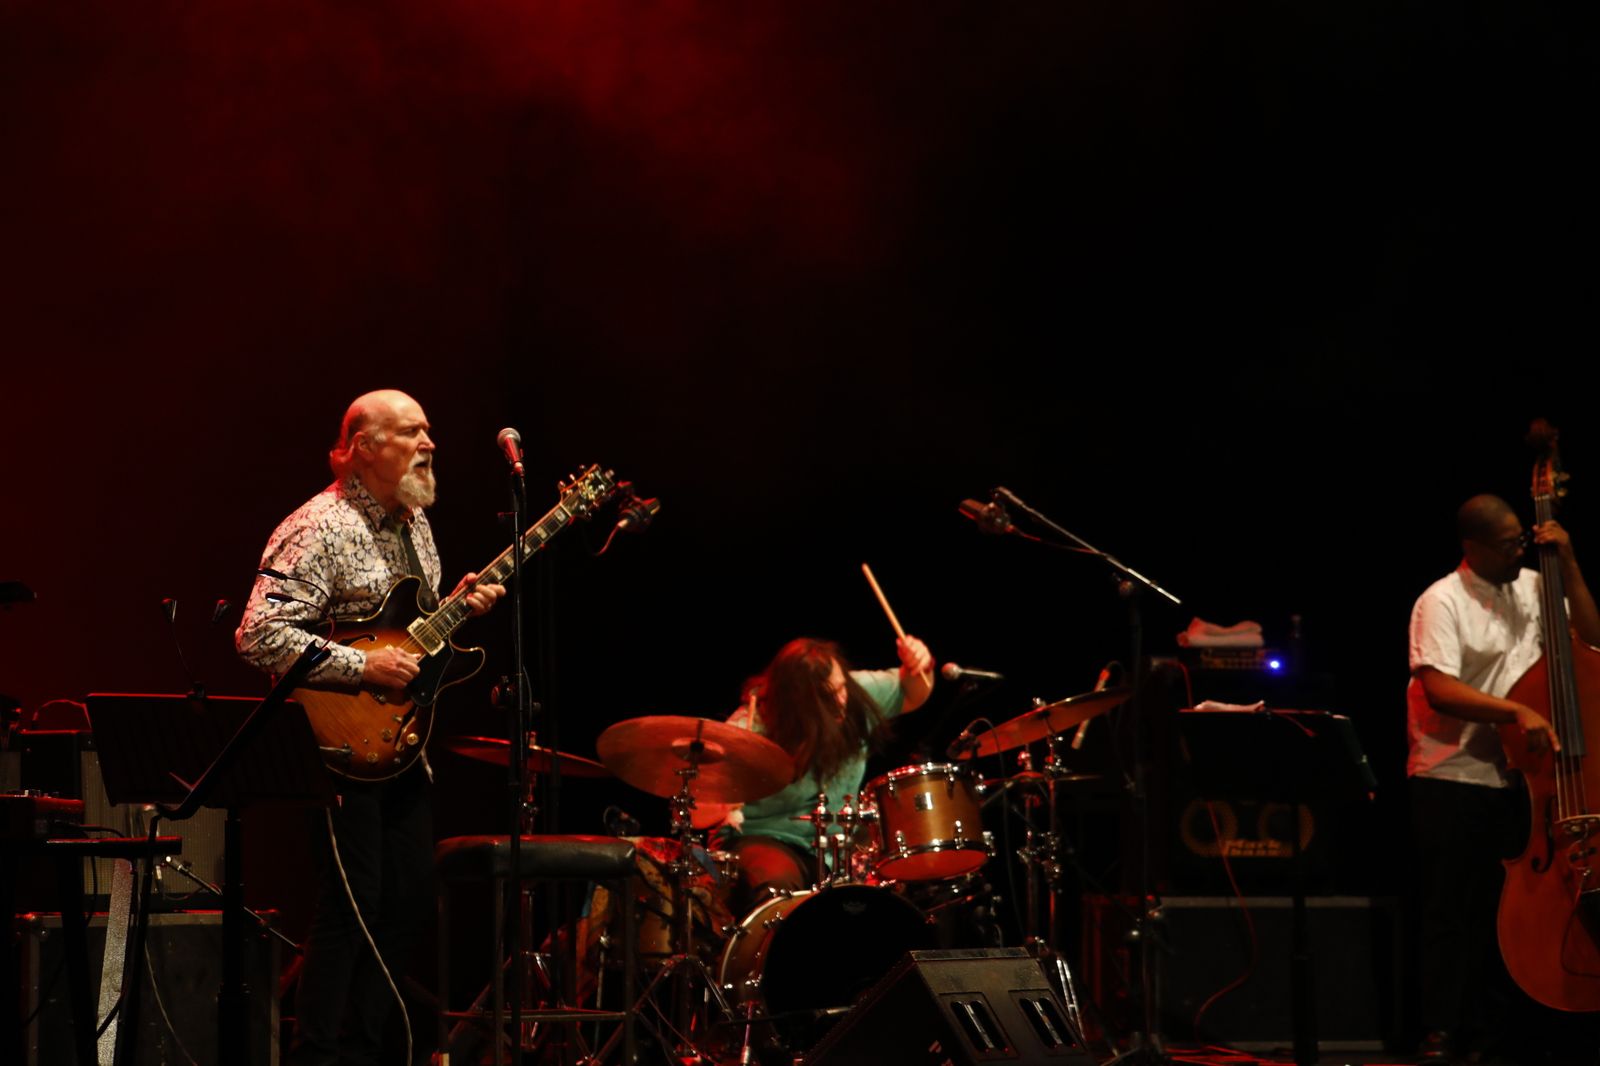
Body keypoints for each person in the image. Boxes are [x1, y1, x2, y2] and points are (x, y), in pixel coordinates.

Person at [236, 389, 504, 1066]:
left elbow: (405, 633)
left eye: (429, 430)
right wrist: (361, 667)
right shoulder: (319, 526)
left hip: (399, 746)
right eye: (411, 432)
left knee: (409, 899)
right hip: (333, 744)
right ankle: (316, 1054)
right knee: (351, 905)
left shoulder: (414, 523)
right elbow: (258, 635)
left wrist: (458, 606)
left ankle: (362, 1050)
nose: (429, 443)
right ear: (362, 448)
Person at [1407, 493, 1600, 1063]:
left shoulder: (1536, 587)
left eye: (1523, 539)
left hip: (1522, 782)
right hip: (1453, 775)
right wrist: (1516, 710)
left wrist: (1568, 563)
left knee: (1507, 921)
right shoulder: (1440, 600)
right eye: (1510, 543)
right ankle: (1441, 1031)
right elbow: (1439, 687)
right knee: (1452, 915)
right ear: (1473, 546)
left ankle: (1497, 1035)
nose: (1523, 549)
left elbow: (1592, 641)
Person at [693, 634, 934, 913]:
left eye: (841, 688)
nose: (841, 701)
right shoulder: (749, 729)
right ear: (797, 705)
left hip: (840, 842)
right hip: (766, 837)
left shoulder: (854, 693)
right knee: (777, 892)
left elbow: (913, 691)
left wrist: (919, 664)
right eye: (829, 697)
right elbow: (696, 814)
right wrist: (721, 801)